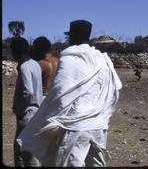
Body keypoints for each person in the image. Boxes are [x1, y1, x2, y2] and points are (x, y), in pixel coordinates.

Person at [17, 20, 122, 167]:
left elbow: (59, 94)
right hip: (99, 126)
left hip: (76, 128)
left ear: (72, 35)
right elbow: (114, 88)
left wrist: (49, 117)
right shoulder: (101, 59)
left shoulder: (70, 59)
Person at [10, 37, 42, 167]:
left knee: (26, 155)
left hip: (27, 115)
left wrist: (21, 111)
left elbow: (28, 92)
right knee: (27, 151)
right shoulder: (35, 64)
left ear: (16, 51)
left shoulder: (24, 67)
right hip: (36, 113)